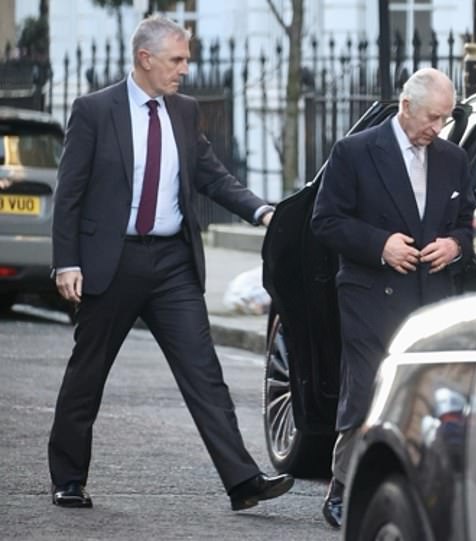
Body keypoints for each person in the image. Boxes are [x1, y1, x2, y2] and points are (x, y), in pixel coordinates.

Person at [48, 14, 293, 511]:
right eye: (177, 59)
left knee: (204, 372)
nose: (185, 68)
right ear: (146, 59)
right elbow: (68, 193)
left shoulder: (184, 111)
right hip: (111, 263)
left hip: (172, 264)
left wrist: (260, 210)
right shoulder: (95, 110)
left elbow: (211, 175)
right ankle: (69, 479)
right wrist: (66, 262)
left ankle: (243, 481)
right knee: (87, 374)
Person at [311, 67, 476, 528]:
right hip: (371, 296)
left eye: (445, 119)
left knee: (430, 398)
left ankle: (418, 490)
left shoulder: (453, 158)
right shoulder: (355, 151)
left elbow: (469, 219)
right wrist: (379, 245)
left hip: (431, 298)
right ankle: (342, 486)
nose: (438, 128)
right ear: (406, 106)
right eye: (432, 118)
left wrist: (456, 245)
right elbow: (324, 221)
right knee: (368, 391)